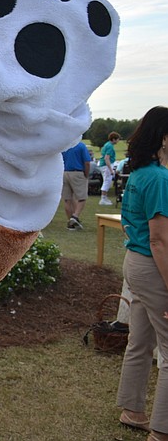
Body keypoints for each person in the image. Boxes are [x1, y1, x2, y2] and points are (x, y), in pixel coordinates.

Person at [115, 106, 168, 440]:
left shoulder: (139, 173)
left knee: (140, 340)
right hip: (151, 265)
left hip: (134, 263)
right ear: (163, 138)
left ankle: (132, 410)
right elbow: (160, 239)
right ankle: (161, 430)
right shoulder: (160, 178)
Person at [61, 141, 91, 230]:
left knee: (67, 199)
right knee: (82, 198)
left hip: (64, 173)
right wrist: (86, 174)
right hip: (77, 173)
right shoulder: (81, 146)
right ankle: (75, 216)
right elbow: (87, 162)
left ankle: (71, 223)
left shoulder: (64, 145)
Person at [99, 131, 121, 205]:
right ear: (114, 139)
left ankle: (104, 198)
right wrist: (111, 170)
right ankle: (103, 199)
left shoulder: (107, 145)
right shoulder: (110, 146)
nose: (118, 141)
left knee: (106, 181)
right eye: (118, 139)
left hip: (103, 165)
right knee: (107, 181)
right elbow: (107, 158)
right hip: (106, 166)